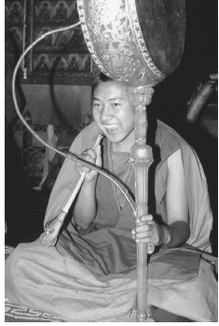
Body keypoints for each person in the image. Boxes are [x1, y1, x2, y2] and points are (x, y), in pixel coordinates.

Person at [5, 74, 217, 321]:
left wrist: (162, 234)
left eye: (115, 104)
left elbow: (181, 227)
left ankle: (104, 298)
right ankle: (127, 300)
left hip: (156, 256)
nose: (105, 116)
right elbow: (83, 223)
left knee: (196, 288)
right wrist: (89, 179)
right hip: (97, 250)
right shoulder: (90, 141)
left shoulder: (170, 147)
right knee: (20, 263)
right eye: (98, 105)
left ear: (140, 104)